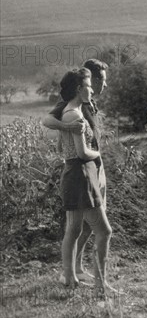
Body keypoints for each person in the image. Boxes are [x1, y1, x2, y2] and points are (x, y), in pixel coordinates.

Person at [43, 59, 109, 284]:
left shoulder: (88, 103)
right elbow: (47, 120)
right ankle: (78, 273)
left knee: (83, 226)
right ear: (85, 84)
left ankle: (74, 273)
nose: (103, 85)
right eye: (100, 80)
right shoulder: (71, 106)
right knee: (93, 226)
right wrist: (68, 128)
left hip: (93, 169)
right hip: (83, 169)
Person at [56, 67, 114, 293]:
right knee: (104, 231)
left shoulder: (68, 112)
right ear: (79, 89)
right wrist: (97, 153)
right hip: (81, 175)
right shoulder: (75, 116)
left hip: (74, 174)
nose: (91, 91)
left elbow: (61, 147)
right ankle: (101, 284)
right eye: (89, 87)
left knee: (74, 229)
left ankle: (70, 279)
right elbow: (81, 153)